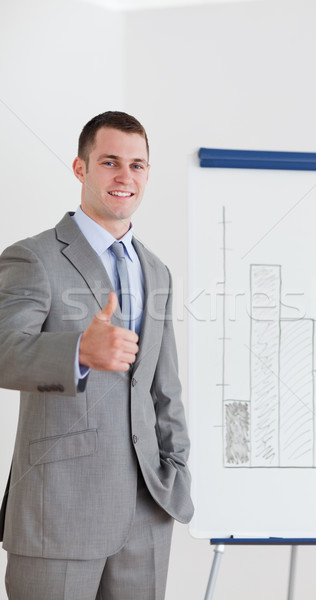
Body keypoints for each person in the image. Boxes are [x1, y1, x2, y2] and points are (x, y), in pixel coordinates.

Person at [0, 111, 194, 600]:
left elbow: (162, 385)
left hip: (146, 513)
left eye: (137, 164)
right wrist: (77, 351)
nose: (125, 176)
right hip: (58, 513)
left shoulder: (157, 269)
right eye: (110, 162)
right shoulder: (34, 257)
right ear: (80, 169)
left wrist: (176, 467)